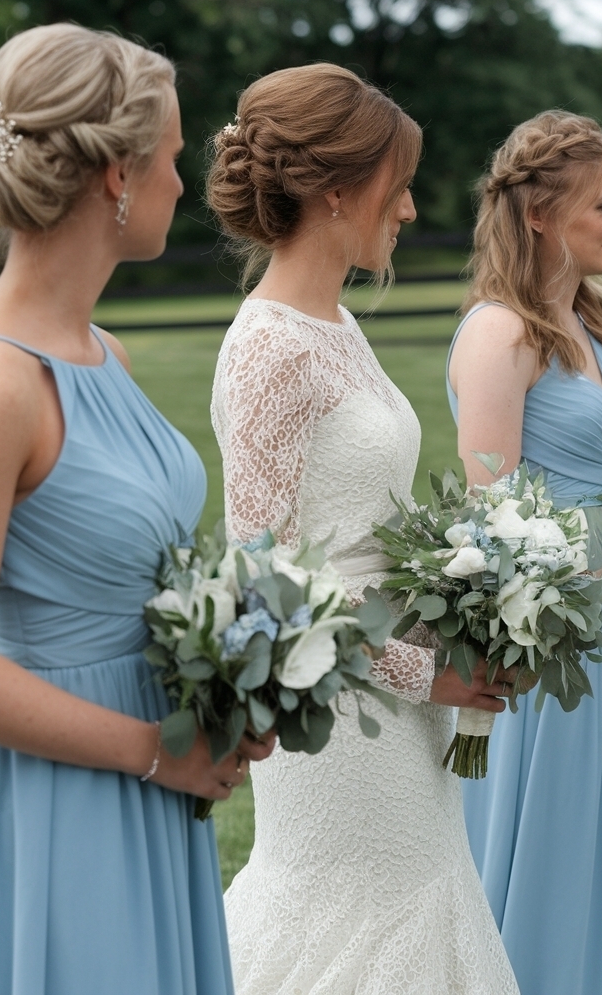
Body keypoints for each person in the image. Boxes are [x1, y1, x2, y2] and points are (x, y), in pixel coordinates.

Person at [0, 23, 273, 995]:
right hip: (60, 797)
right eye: (171, 155)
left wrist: (228, 687)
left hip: (158, 771)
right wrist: (153, 754)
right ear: (116, 176)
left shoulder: (106, 355)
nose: (183, 180)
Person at [208, 63, 519, 994]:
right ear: (337, 191)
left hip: (402, 700)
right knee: (346, 925)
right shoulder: (269, 349)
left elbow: (366, 519)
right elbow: (265, 589)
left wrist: (463, 595)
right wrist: (427, 672)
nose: (412, 209)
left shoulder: (336, 323)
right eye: (399, 184)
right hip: (336, 717)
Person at [446, 111, 602, 995]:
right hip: (547, 635)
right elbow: (493, 520)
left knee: (593, 844)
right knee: (550, 841)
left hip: (600, 629)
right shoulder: (500, 333)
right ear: (540, 214)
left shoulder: (581, 321)